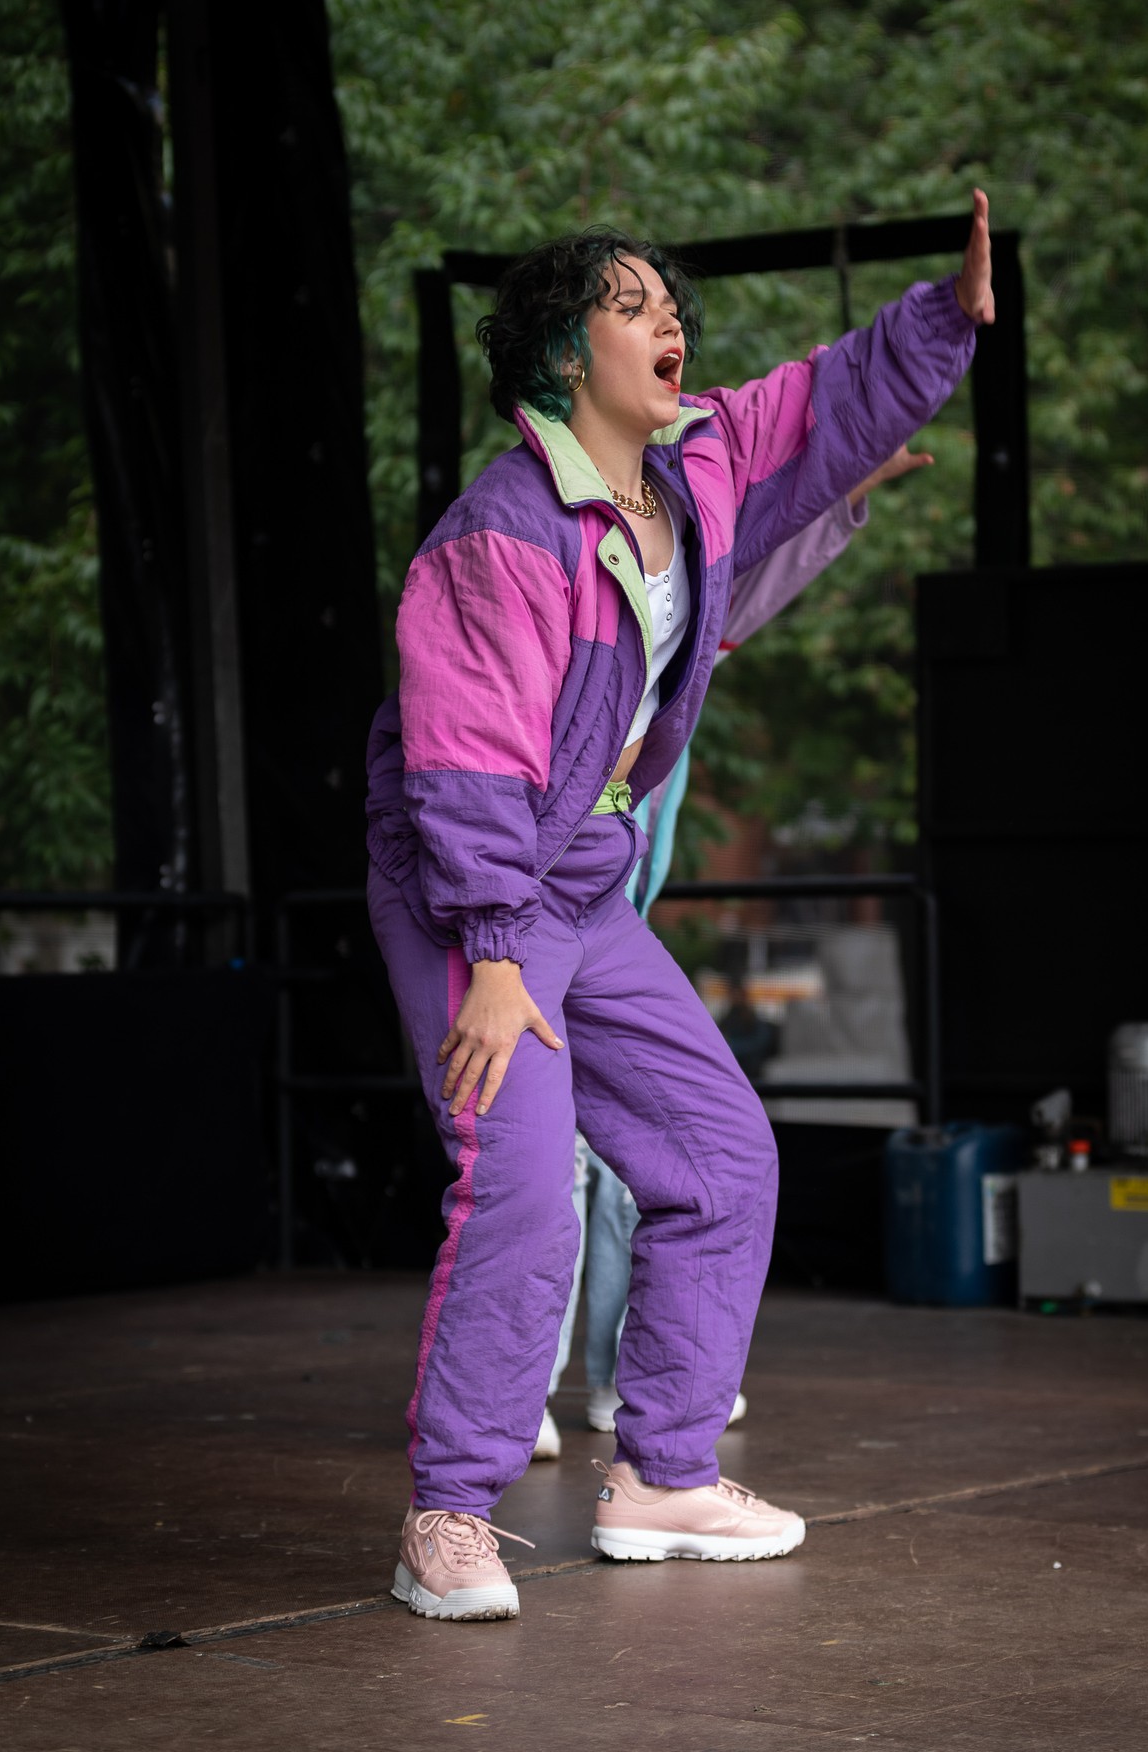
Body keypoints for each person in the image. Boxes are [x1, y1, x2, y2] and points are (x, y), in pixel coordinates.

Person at [365, 197, 993, 1621]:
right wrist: (494, 952)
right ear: (559, 352)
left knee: (719, 1156)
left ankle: (661, 1474)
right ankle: (448, 1515)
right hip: (475, 893)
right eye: (632, 304)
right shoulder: (498, 535)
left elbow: (817, 401)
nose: (669, 325)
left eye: (671, 306)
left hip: (583, 884)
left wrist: (940, 321)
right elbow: (464, 757)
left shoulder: (691, 471)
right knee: (522, 1188)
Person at [533, 442, 934, 1460]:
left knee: (637, 1160)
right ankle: (521, 1393)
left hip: (611, 924)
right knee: (550, 1159)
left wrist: (842, 491)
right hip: (543, 918)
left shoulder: (682, 642)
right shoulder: (588, 630)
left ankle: (621, 1382)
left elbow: (745, 588)